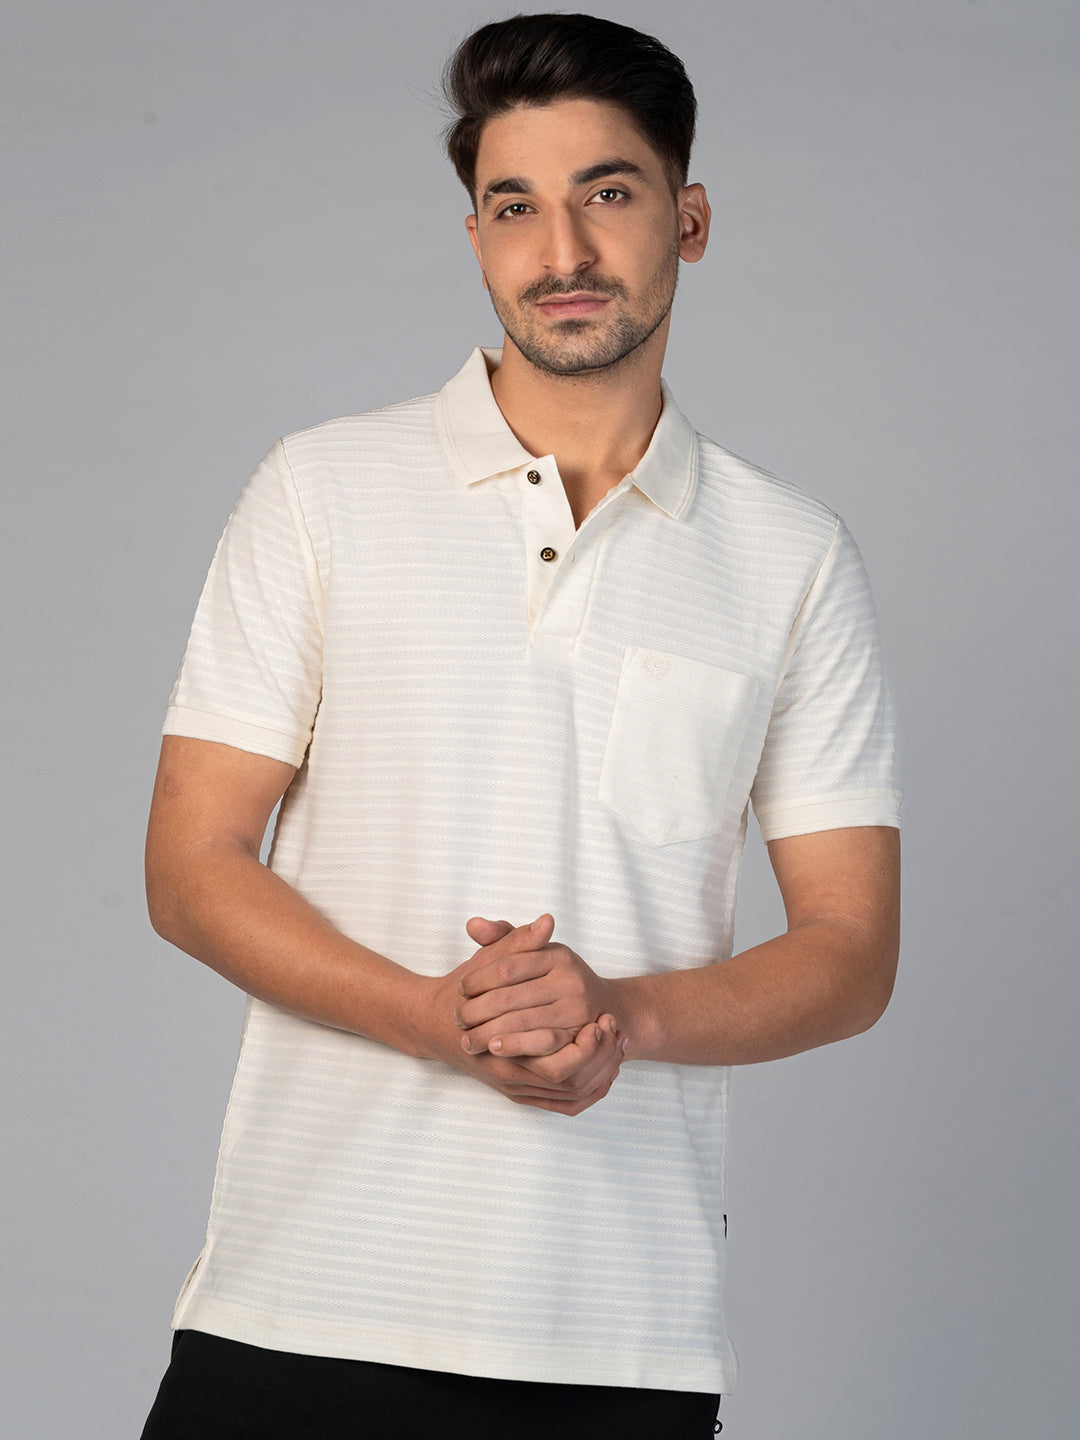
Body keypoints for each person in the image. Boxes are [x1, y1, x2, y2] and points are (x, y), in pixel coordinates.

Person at [139, 13, 901, 1439]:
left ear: (689, 220)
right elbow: (190, 868)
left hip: (621, 1341)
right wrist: (433, 1019)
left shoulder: (791, 557)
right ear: (477, 236)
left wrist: (625, 1013)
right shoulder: (320, 494)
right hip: (299, 1304)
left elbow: (853, 953)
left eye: (608, 193)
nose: (563, 250)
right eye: (514, 206)